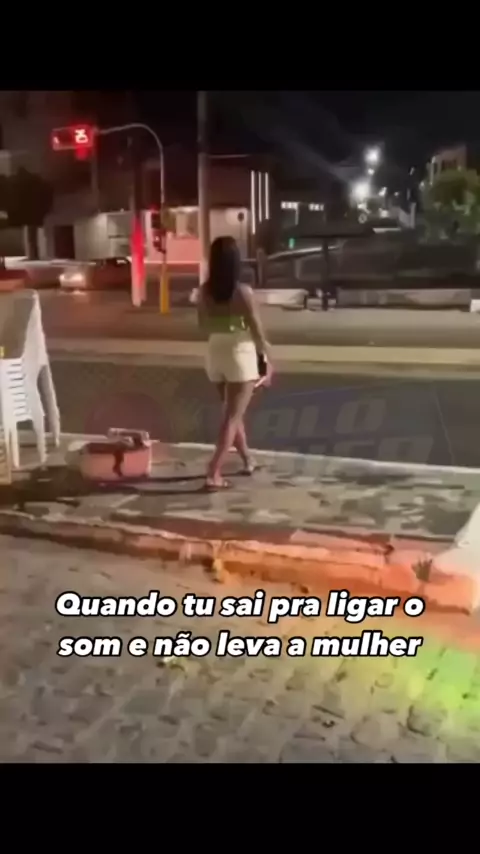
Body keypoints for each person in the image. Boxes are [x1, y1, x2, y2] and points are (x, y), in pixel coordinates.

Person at [198, 236, 273, 491]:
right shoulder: (243, 292)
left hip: (215, 353)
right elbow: (257, 332)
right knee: (232, 417)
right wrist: (267, 361)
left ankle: (247, 459)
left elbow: (202, 326)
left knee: (232, 412)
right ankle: (213, 473)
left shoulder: (204, 291)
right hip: (240, 354)